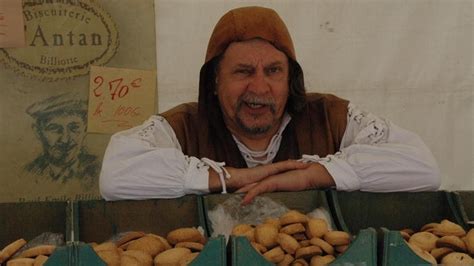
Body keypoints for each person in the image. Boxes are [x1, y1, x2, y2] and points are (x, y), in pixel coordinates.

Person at [99, 6, 440, 204]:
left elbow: (423, 168)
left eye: (273, 71)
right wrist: (231, 178)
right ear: (215, 82)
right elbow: (114, 177)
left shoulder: (330, 117)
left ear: (290, 78)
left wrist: (313, 176)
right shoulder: (184, 125)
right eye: (243, 71)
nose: (259, 87)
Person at [25, 93, 100, 188]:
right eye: (54, 129)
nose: (65, 140)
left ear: (85, 129)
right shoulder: (26, 174)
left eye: (74, 128)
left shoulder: (100, 170)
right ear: (38, 132)